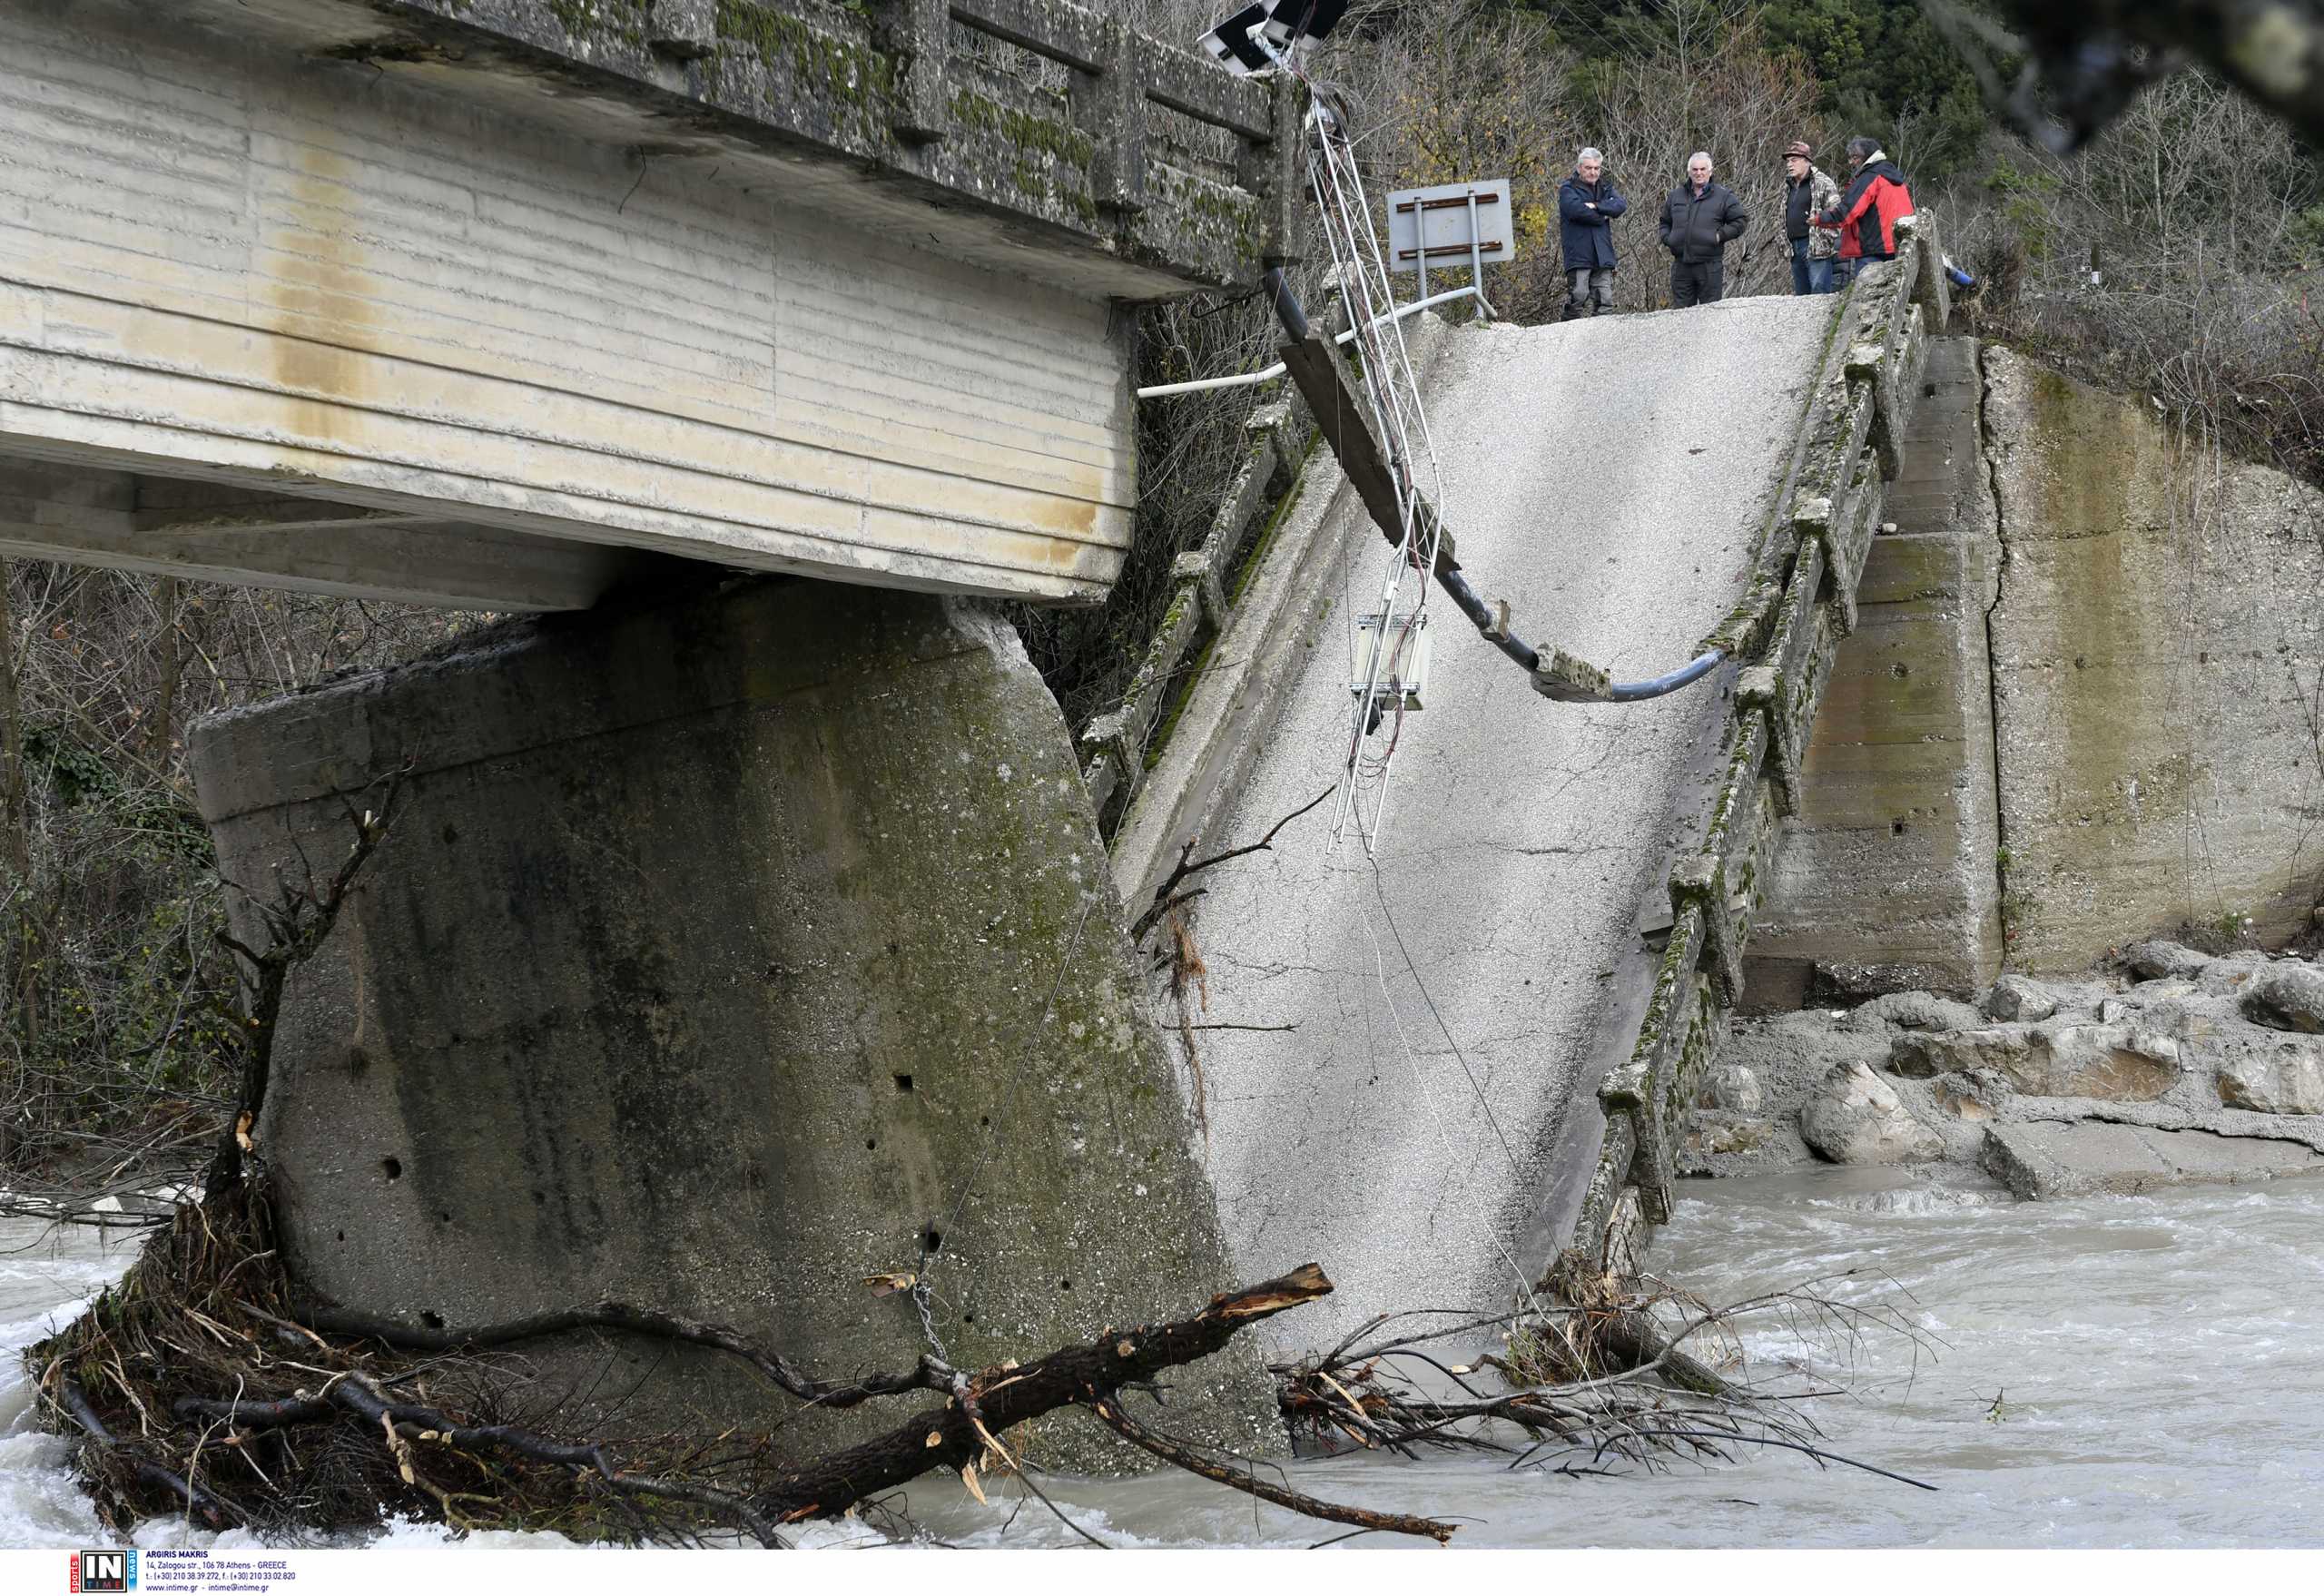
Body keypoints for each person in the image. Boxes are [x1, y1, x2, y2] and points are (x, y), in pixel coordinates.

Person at [1820, 136, 1914, 286]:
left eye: (1854, 157)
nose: (1851, 162)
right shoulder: (1895, 178)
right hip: (1897, 246)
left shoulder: (1869, 177)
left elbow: (1847, 212)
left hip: (1872, 250)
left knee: (1866, 299)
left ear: (1867, 156)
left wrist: (1819, 219)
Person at [1658, 152, 1748, 308]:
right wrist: (1668, 239)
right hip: (1681, 265)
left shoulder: (1724, 196)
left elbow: (1740, 221)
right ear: (1689, 172)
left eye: (1703, 169)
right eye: (1695, 169)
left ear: (1710, 171)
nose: (1699, 173)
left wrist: (1719, 236)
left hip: (1709, 266)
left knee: (1711, 315)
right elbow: (1664, 222)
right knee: (1680, 316)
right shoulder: (1676, 195)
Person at [1557, 146, 1627, 320]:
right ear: (1580, 168)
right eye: (1588, 168)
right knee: (1578, 296)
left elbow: (1620, 205)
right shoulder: (1568, 189)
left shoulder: (1606, 187)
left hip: (1602, 253)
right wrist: (1602, 215)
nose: (1593, 172)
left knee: (1606, 300)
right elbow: (1575, 211)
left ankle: (1601, 340)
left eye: (1596, 168)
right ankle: (1567, 335)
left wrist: (1596, 206)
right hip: (1578, 253)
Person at [1781, 140, 1841, 295]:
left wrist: (1824, 240)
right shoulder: (1788, 185)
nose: (1789, 165)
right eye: (1788, 161)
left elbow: (1837, 214)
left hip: (1816, 248)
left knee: (1819, 295)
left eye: (1794, 160)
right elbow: (1781, 215)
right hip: (1794, 248)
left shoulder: (1823, 182)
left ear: (1807, 162)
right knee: (1802, 299)